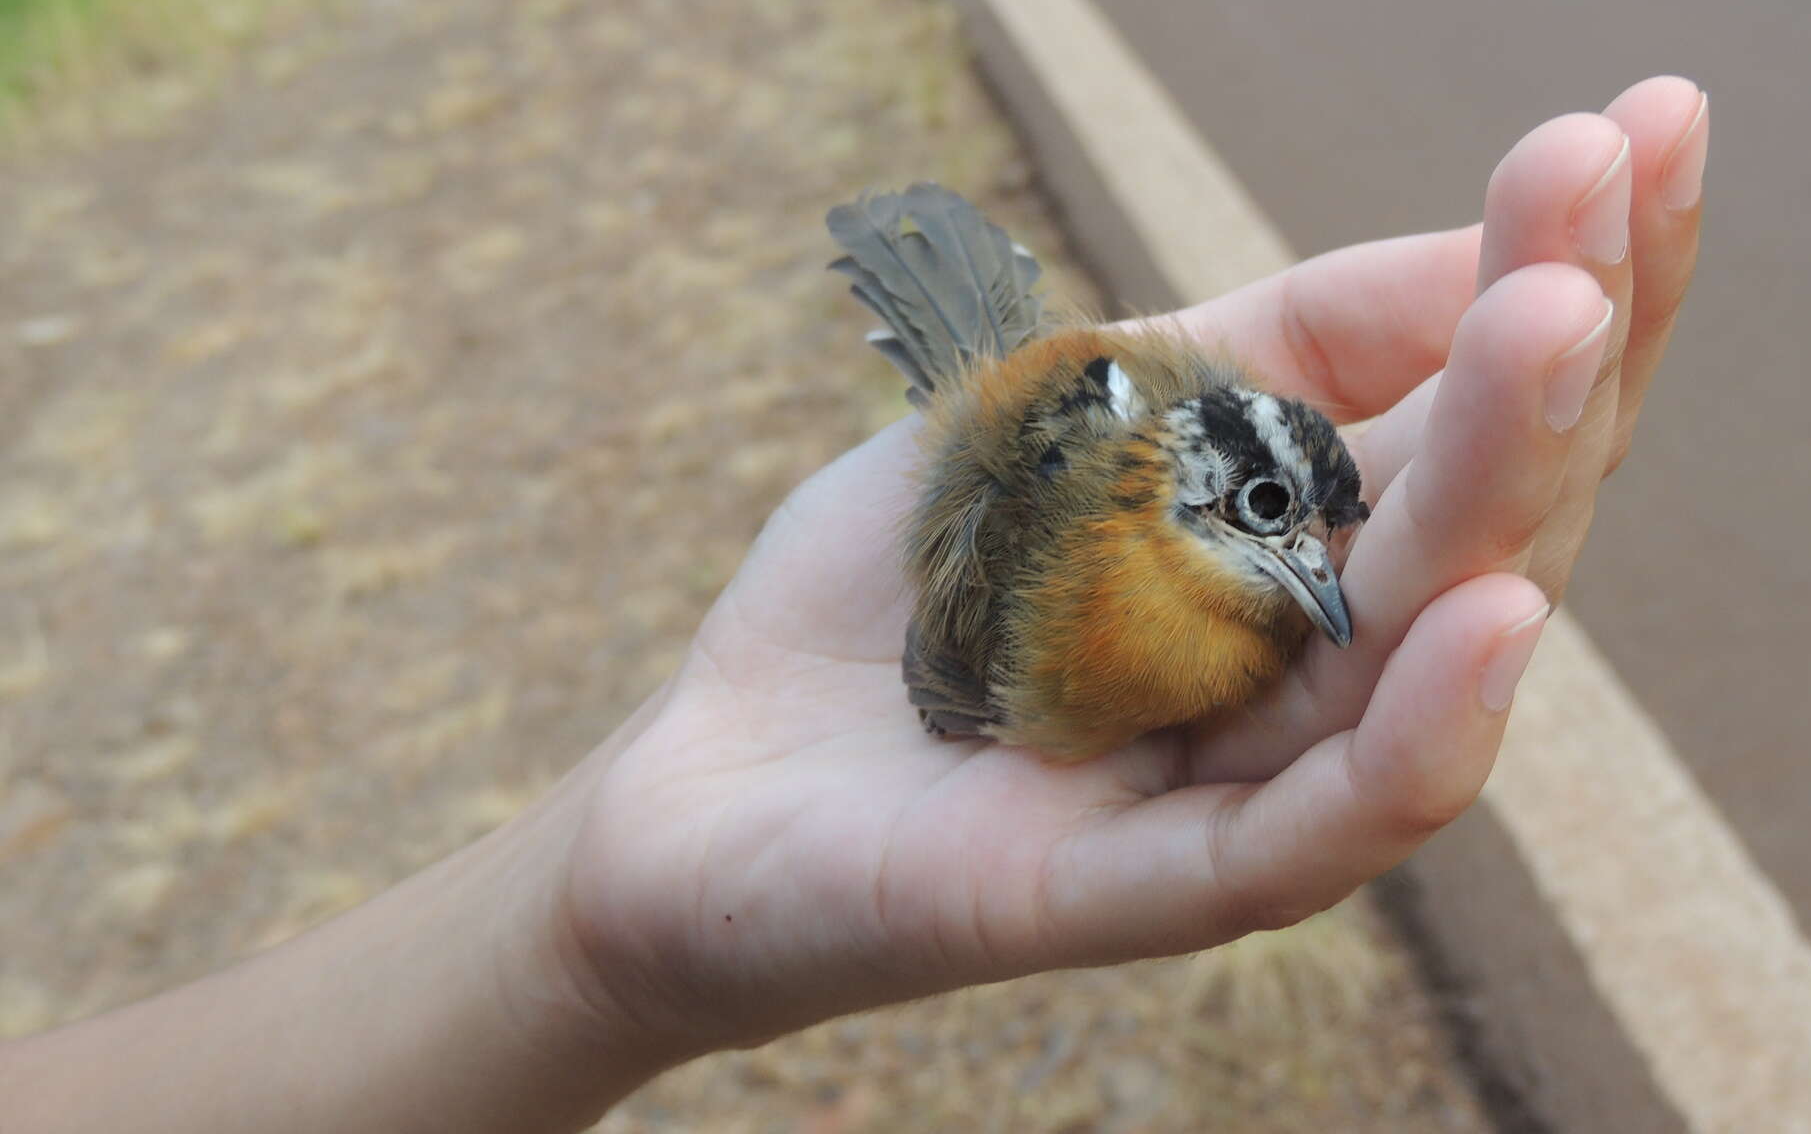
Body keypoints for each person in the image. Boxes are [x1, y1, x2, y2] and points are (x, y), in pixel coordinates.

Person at [3, 78, 1708, 1133]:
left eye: (1308, 551)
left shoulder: (1251, 576)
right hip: (1038, 448)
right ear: (1196, 485)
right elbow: (966, 658)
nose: (1305, 587)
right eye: (1275, 527)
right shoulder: (1081, 610)